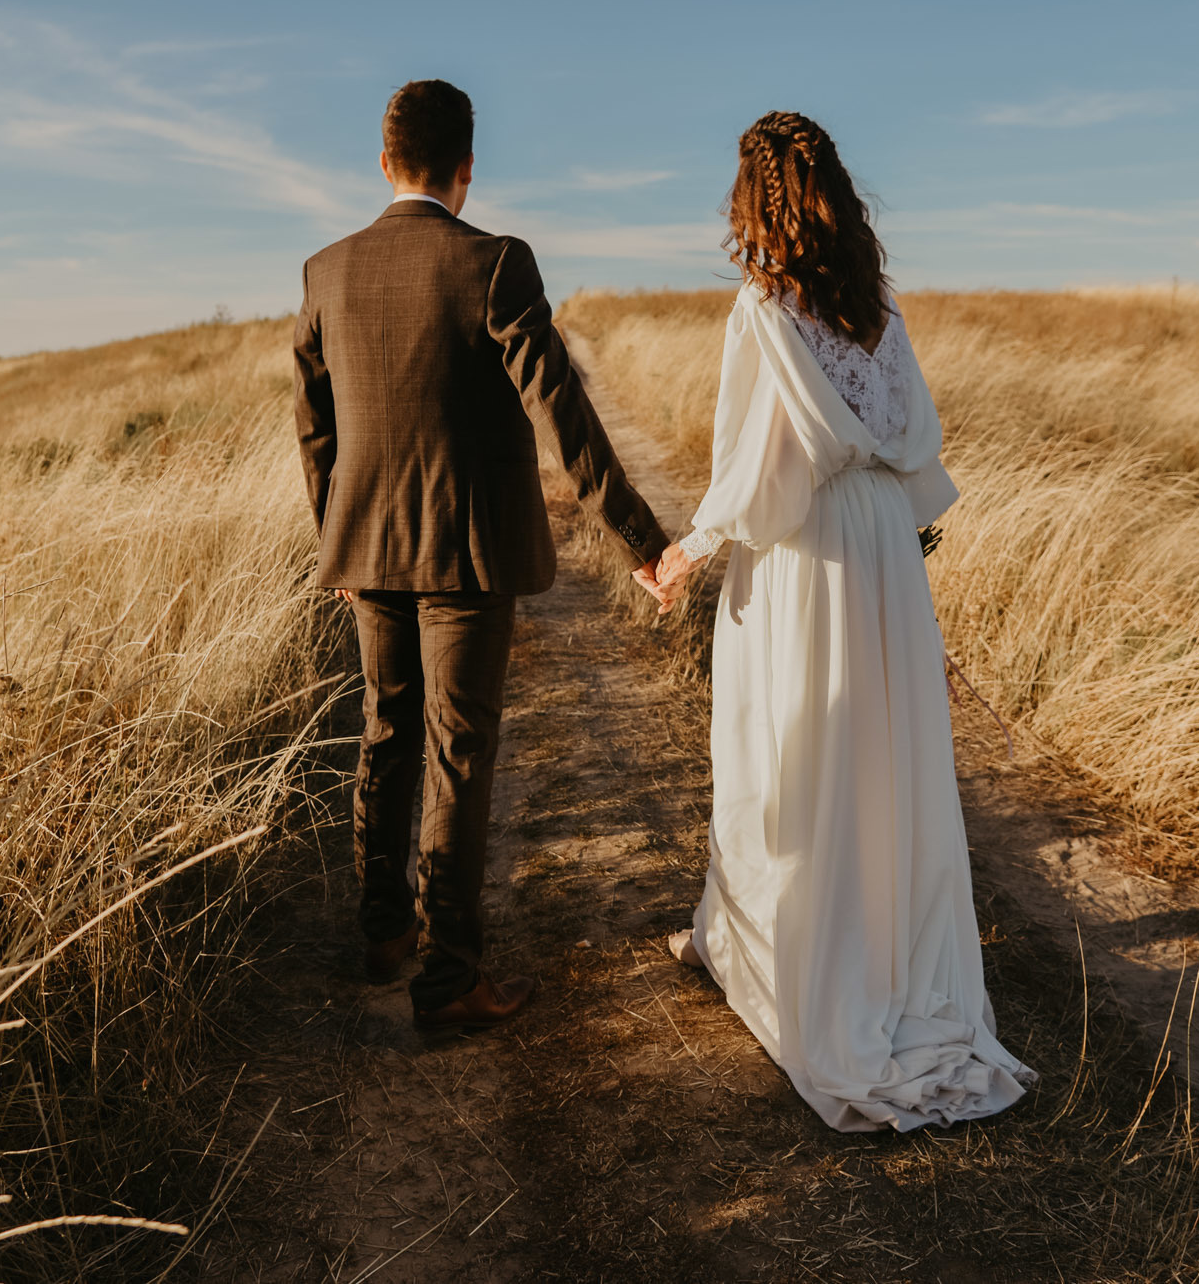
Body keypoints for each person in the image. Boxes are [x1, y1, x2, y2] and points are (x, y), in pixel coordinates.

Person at [651, 111, 1034, 1131]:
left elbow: (754, 472)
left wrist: (690, 550)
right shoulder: (878, 309)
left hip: (810, 551)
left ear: (753, 197)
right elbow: (913, 443)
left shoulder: (761, 312)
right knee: (883, 757)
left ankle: (808, 972)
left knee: (795, 751)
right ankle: (895, 973)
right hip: (878, 548)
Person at [292, 79, 670, 1039]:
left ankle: (383, 935)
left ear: (384, 163)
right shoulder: (495, 262)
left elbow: (315, 424)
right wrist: (641, 537)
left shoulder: (325, 270)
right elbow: (560, 408)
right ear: (467, 167)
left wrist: (333, 536)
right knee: (457, 753)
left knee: (386, 736)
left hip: (366, 546)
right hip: (466, 557)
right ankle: (449, 976)